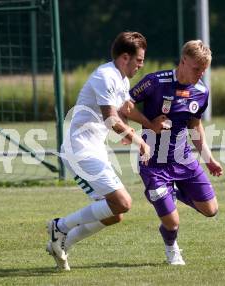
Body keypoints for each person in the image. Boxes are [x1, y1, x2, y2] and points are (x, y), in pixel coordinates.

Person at [46, 31, 166, 271]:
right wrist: (136, 140)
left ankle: (62, 244)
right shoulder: (106, 76)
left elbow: (125, 110)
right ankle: (59, 226)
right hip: (79, 150)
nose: (140, 66)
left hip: (94, 150)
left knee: (114, 214)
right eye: (139, 60)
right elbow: (111, 119)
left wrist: (148, 126)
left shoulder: (121, 79)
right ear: (125, 58)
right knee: (123, 202)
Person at [126, 40, 224, 265]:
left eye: (204, 70)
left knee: (211, 210)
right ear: (183, 61)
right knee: (172, 222)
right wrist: (149, 124)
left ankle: (171, 193)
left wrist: (208, 159)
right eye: (196, 69)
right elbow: (125, 105)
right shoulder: (154, 82)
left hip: (184, 160)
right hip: (153, 162)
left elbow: (195, 125)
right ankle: (172, 249)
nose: (200, 74)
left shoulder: (201, 92)